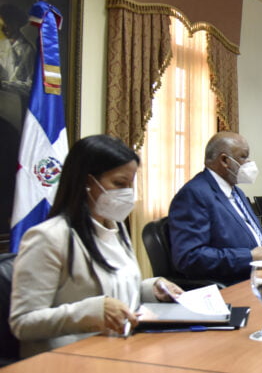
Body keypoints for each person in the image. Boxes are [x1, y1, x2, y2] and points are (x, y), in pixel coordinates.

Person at [10, 135, 182, 358]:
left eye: (130, 184)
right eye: (119, 183)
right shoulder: (48, 237)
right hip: (71, 359)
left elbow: (116, 291)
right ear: (87, 182)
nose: (128, 193)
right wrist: (91, 311)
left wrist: (152, 289)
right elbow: (23, 322)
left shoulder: (116, 229)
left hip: (123, 350)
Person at [168, 132, 262, 285]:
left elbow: (251, 235)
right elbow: (189, 257)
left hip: (261, 278)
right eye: (244, 157)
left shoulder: (237, 192)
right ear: (224, 160)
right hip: (231, 285)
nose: (249, 162)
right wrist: (249, 257)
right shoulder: (194, 194)